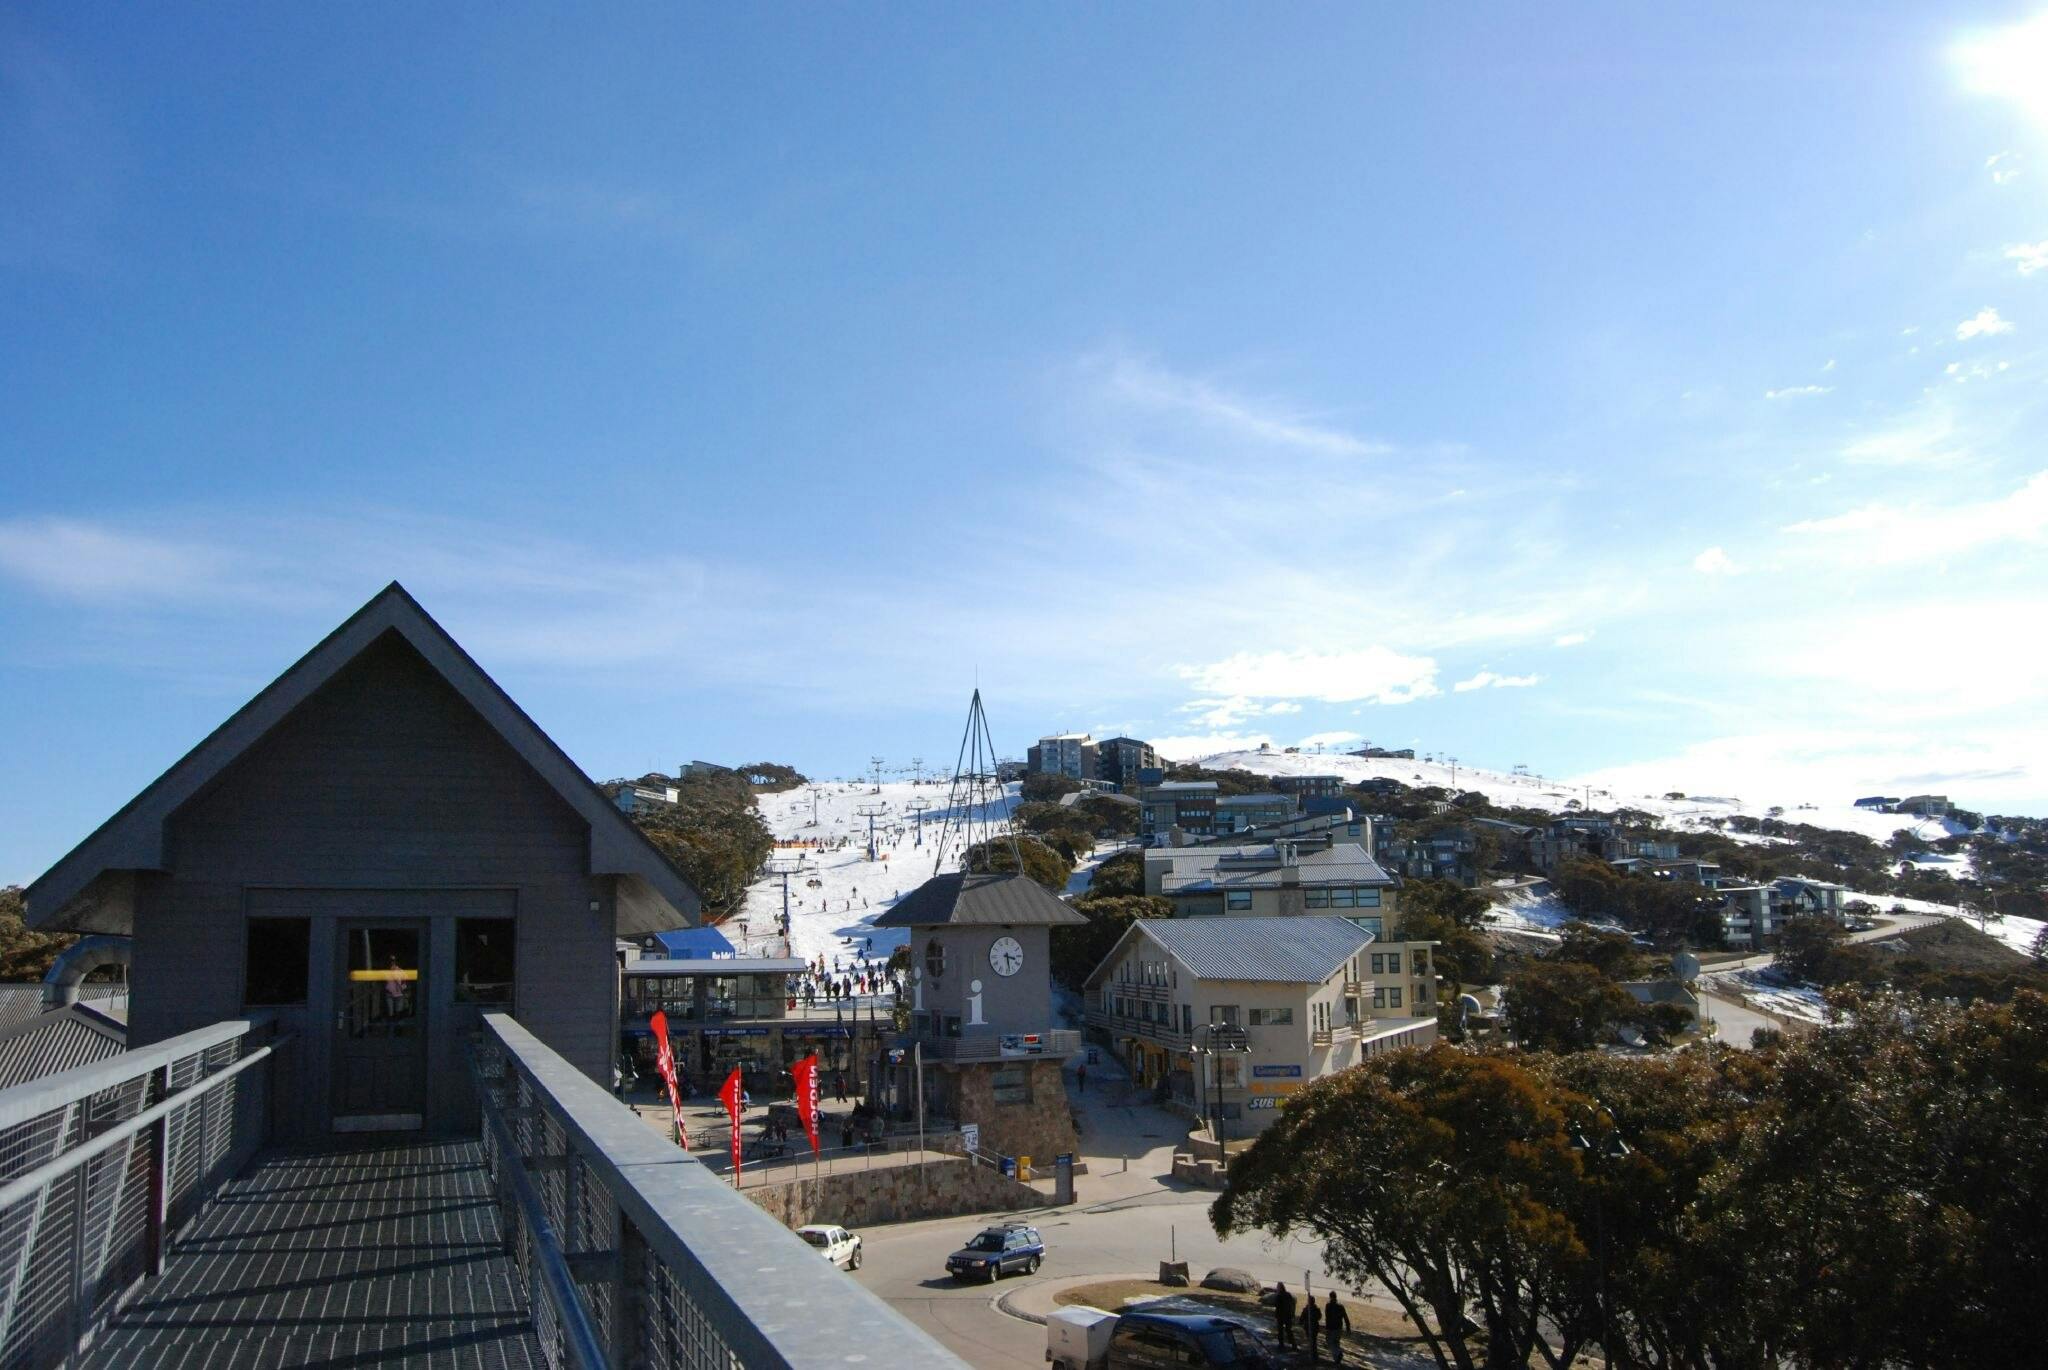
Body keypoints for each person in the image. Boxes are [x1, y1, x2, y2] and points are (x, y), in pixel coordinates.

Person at [1324, 1292, 1349, 1365]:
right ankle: (1336, 1360)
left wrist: (1327, 1327)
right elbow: (1345, 1317)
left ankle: (1338, 1353)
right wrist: (1348, 1327)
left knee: (1330, 1342)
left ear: (1330, 1297)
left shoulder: (1328, 1305)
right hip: (1339, 1327)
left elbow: (1327, 1317)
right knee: (1336, 1343)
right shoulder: (1340, 1306)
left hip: (1331, 1327)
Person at [1272, 1283, 1297, 1349]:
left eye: (1277, 1287)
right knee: (1289, 1330)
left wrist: (1276, 1315)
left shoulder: (1279, 1296)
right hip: (1288, 1315)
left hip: (1281, 1316)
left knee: (1280, 1330)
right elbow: (1292, 1304)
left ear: (1279, 1288)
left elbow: (1276, 1305)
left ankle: (1281, 1344)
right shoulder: (1288, 1294)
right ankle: (1293, 1344)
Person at [1300, 1293, 1321, 1363]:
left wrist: (1301, 1322)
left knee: (1311, 1341)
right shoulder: (1316, 1309)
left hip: (1309, 1327)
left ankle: (1313, 1354)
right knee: (1313, 1341)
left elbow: (1302, 1317)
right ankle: (1314, 1354)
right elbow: (1319, 1317)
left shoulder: (1307, 1309)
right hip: (1314, 1327)